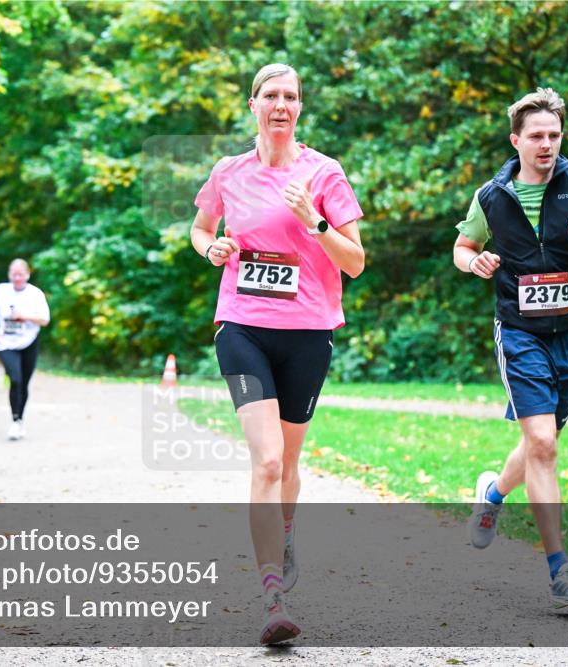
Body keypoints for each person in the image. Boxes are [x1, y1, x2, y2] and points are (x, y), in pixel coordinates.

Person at [190, 63, 365, 645]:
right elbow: (200, 228)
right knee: (266, 461)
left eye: (291, 96)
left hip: (308, 332)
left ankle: (285, 530)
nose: (281, 105)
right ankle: (272, 597)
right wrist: (212, 248)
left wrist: (314, 221)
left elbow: (355, 262)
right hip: (242, 327)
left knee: (288, 462)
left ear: (300, 108)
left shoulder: (324, 172)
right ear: (254, 105)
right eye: (271, 95)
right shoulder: (228, 171)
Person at [453, 87, 568, 609]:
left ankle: (492, 495)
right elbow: (463, 246)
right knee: (544, 444)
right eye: (536, 136)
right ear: (517, 141)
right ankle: (560, 572)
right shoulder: (492, 196)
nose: (546, 144)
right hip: (520, 332)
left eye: (554, 135)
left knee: (540, 443)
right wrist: (475, 262)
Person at [0, 259, 50, 441]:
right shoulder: (1, 291)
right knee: (16, 379)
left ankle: (20, 419)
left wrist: (24, 316)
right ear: (9, 274)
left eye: (20, 274)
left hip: (29, 342)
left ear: (27, 275)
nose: (17, 278)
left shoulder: (35, 294)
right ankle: (14, 421)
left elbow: (45, 320)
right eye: (14, 274)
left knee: (24, 383)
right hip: (6, 342)